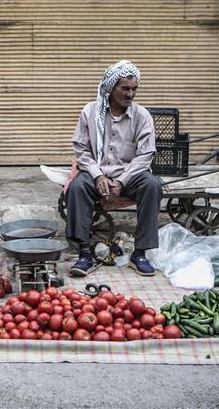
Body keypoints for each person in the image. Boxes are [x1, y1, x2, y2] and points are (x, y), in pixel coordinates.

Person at [65, 60, 162, 277]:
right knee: (77, 187)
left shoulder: (142, 116)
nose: (130, 94)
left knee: (152, 186)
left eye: (134, 89)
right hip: (96, 173)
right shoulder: (90, 112)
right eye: (125, 88)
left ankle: (140, 254)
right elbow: (81, 149)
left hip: (129, 176)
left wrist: (121, 181)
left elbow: (145, 155)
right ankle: (84, 253)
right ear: (110, 88)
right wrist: (98, 175)